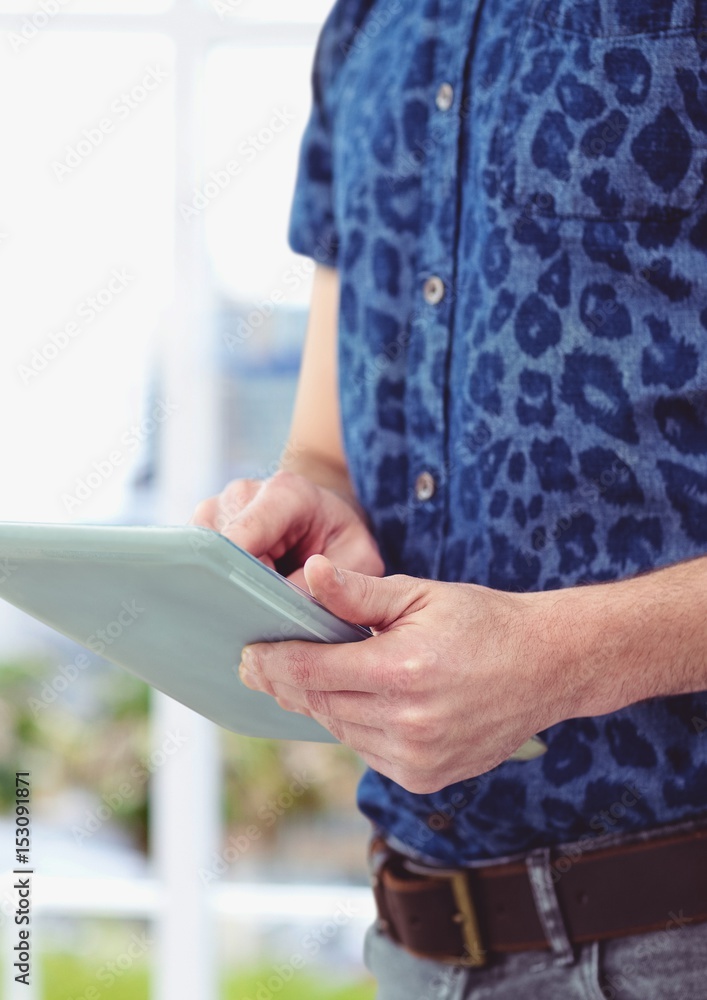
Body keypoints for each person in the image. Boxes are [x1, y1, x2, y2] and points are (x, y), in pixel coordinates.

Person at [192, 1, 707, 996]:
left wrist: (558, 660)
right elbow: (322, 447)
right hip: (413, 944)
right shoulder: (364, 26)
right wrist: (304, 519)